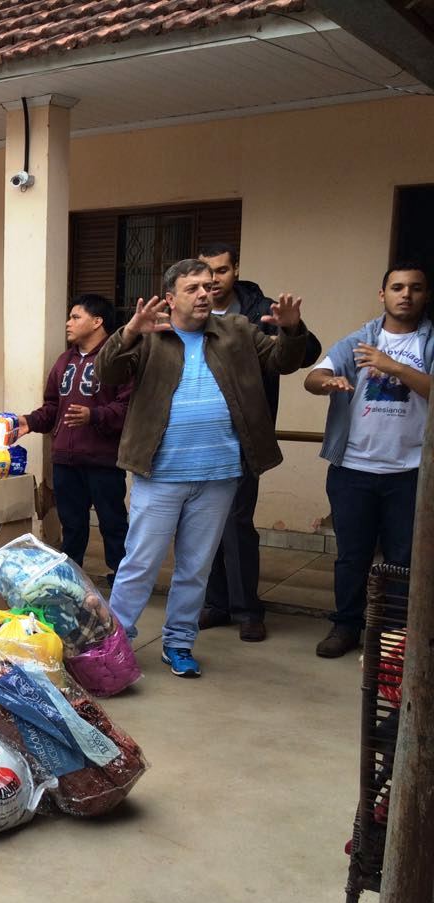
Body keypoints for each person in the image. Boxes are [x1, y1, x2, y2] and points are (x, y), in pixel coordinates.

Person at [96, 258, 307, 679]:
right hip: (159, 473)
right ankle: (114, 645)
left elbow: (283, 361)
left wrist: (291, 329)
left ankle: (178, 643)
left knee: (196, 567)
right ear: (170, 297)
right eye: (193, 288)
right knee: (139, 564)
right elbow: (107, 373)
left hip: (219, 474)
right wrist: (131, 331)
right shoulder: (151, 334)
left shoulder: (237, 331)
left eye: (209, 287)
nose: (204, 294)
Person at [196, 243, 324, 642]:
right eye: (205, 273)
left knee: (235, 521)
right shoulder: (189, 309)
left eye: (221, 271)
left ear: (236, 270)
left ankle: (248, 609)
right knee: (204, 522)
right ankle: (216, 603)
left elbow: (308, 353)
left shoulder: (259, 309)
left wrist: (290, 328)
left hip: (243, 434)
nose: (213, 281)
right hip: (197, 434)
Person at [304, 261, 430, 658]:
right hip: (353, 469)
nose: (405, 294)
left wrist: (392, 366)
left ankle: (393, 638)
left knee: (403, 560)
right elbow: (312, 377)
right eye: (397, 287)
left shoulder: (429, 343)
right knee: (352, 557)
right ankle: (345, 627)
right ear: (383, 295)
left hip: (411, 472)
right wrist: (328, 382)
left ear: (425, 295)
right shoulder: (359, 340)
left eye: (414, 288)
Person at [15, 295, 131, 580]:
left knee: (113, 524)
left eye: (75, 317)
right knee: (72, 524)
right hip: (66, 458)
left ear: (97, 321)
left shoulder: (118, 358)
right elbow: (54, 406)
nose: (68, 323)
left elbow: (127, 407)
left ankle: (123, 579)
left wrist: (94, 416)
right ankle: (71, 579)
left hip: (103, 459)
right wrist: (29, 422)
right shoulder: (64, 360)